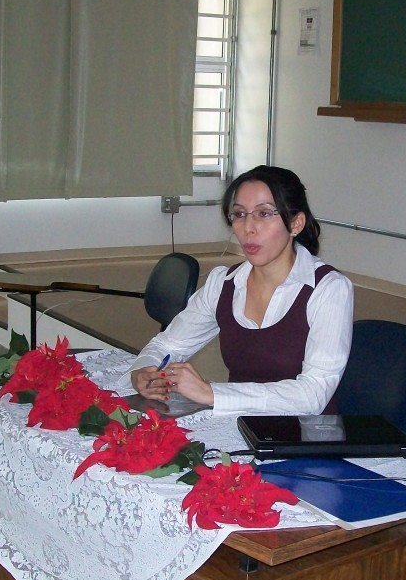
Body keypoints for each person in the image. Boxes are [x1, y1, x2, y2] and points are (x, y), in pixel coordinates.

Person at [129, 165, 353, 416]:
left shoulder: (329, 289)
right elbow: (167, 345)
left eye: (264, 214)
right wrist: (143, 370)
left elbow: (313, 395)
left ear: (296, 223)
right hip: (240, 426)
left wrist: (212, 393)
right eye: (239, 214)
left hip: (305, 438)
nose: (248, 228)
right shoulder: (223, 284)